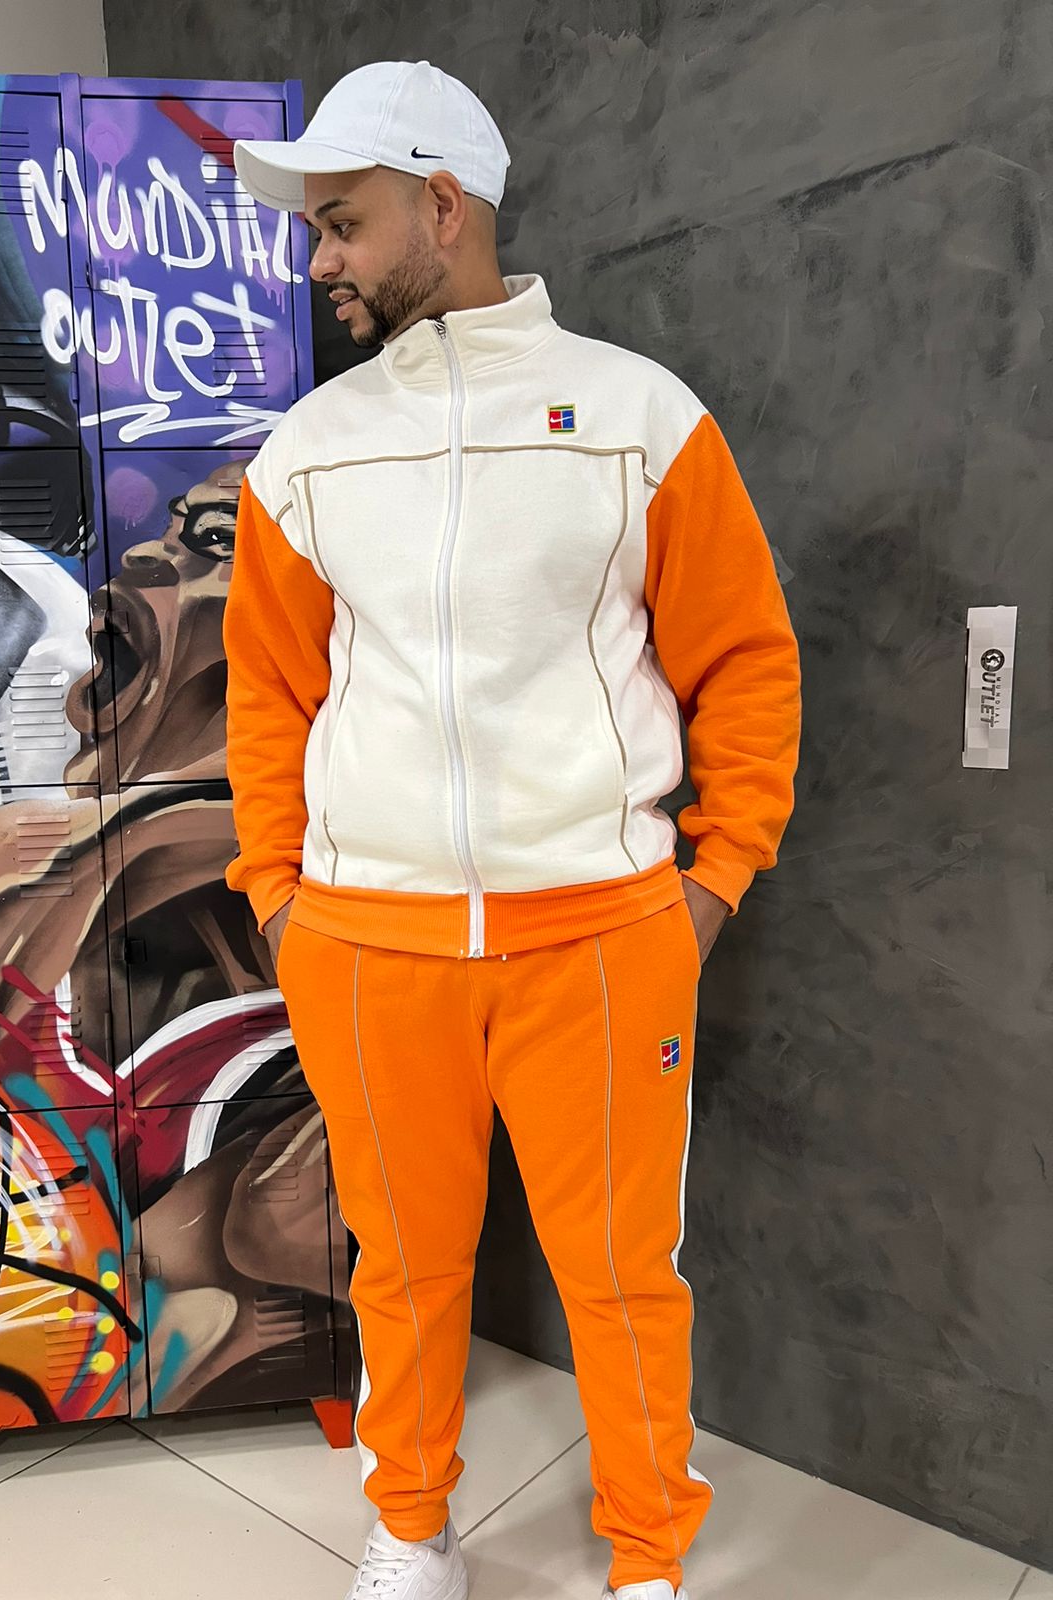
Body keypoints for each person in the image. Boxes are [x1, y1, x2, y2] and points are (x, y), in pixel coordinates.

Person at [225, 58, 802, 1600]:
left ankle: (647, 1558)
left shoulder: (637, 419)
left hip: (600, 938)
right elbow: (267, 697)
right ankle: (412, 1530)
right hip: (366, 945)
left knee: (620, 1276)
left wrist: (711, 882)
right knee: (404, 1270)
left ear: (443, 206)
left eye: (341, 222)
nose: (319, 259)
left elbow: (747, 662)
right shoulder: (307, 454)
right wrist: (281, 896)